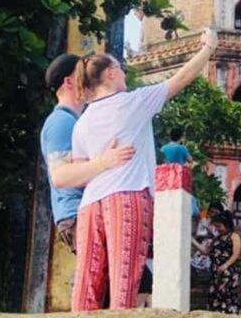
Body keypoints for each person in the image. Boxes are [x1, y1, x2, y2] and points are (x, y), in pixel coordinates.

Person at [70, 28, 219, 311]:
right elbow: (182, 78)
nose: (125, 74)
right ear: (111, 74)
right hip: (127, 197)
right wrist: (208, 49)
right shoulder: (133, 102)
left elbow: (80, 173)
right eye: (121, 69)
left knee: (86, 285)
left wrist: (102, 163)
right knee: (123, 284)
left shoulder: (82, 122)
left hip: (89, 204)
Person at [40, 53, 136, 252]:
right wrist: (103, 162)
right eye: (82, 73)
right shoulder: (61, 122)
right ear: (69, 82)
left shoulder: (77, 122)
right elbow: (60, 176)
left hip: (86, 214)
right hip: (78, 216)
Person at [193, 210, 241, 314]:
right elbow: (206, 251)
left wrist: (226, 265)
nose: (217, 229)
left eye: (219, 226)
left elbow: (236, 254)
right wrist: (192, 240)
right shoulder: (216, 239)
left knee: (227, 297)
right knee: (215, 298)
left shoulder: (234, 237)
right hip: (215, 273)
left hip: (228, 274)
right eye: (216, 226)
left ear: (226, 225)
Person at [192, 201, 225, 271]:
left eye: (216, 213)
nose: (213, 214)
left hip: (212, 252)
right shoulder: (204, 220)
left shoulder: (221, 225)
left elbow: (217, 235)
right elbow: (199, 234)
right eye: (212, 212)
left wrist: (207, 227)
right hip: (200, 249)